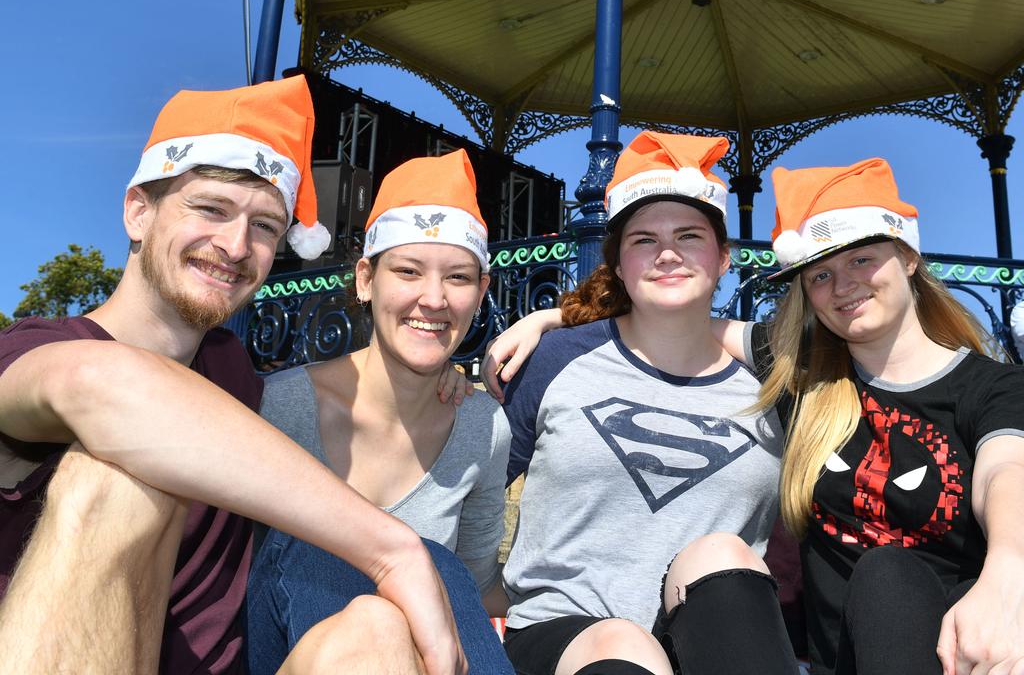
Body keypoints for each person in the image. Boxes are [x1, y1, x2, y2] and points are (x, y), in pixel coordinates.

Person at [0, 76, 469, 675]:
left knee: (375, 630)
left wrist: (448, 366)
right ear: (138, 211)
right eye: (211, 209)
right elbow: (103, 385)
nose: (235, 244)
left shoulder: (232, 369)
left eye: (266, 226)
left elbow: (362, 372)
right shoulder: (35, 350)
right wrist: (393, 550)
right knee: (116, 479)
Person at [487, 158, 1024, 675]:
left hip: (959, 639)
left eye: (863, 259)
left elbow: (1007, 471)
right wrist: (556, 319)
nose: (843, 286)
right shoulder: (801, 375)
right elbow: (678, 324)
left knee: (889, 573)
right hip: (821, 651)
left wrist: (1009, 572)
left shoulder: (990, 387)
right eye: (819, 274)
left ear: (908, 256)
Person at [495, 131, 797, 675]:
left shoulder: (773, 381)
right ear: (618, 263)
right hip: (571, 641)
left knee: (723, 555)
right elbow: (473, 484)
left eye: (689, 235)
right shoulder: (554, 359)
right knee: (622, 645)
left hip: (713, 638)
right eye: (642, 240)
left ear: (724, 257)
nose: (666, 253)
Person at [246, 150, 514, 674]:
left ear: (482, 293)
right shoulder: (278, 406)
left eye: (458, 278)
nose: (432, 299)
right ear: (366, 280)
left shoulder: (482, 426)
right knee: (381, 555)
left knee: (440, 569)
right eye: (408, 271)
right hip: (286, 650)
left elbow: (479, 587)